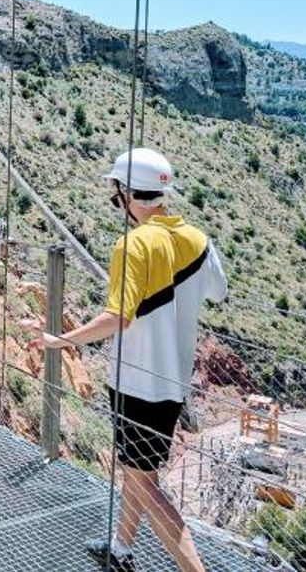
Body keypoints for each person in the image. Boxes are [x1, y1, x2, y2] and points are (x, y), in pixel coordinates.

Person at [21, 148, 227, 572]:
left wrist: (60, 340)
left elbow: (116, 317)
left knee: (145, 483)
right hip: (173, 383)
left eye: (117, 192)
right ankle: (121, 547)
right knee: (139, 470)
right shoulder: (196, 240)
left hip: (136, 384)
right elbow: (219, 292)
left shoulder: (131, 245)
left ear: (127, 194)